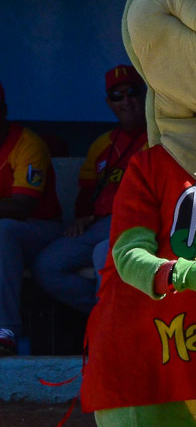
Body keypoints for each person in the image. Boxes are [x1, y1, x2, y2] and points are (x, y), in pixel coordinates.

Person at [32, 65, 147, 316]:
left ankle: (114, 322)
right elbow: (86, 194)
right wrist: (83, 217)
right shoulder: (102, 144)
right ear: (109, 103)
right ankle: (103, 313)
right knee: (47, 265)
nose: (126, 101)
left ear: (145, 94)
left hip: (140, 223)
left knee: (103, 255)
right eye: (118, 96)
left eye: (132, 92)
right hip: (100, 224)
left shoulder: (162, 139)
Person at [0, 81, 62, 356]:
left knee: (3, 231)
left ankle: (6, 329)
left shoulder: (27, 143)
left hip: (42, 230)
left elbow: (21, 207)